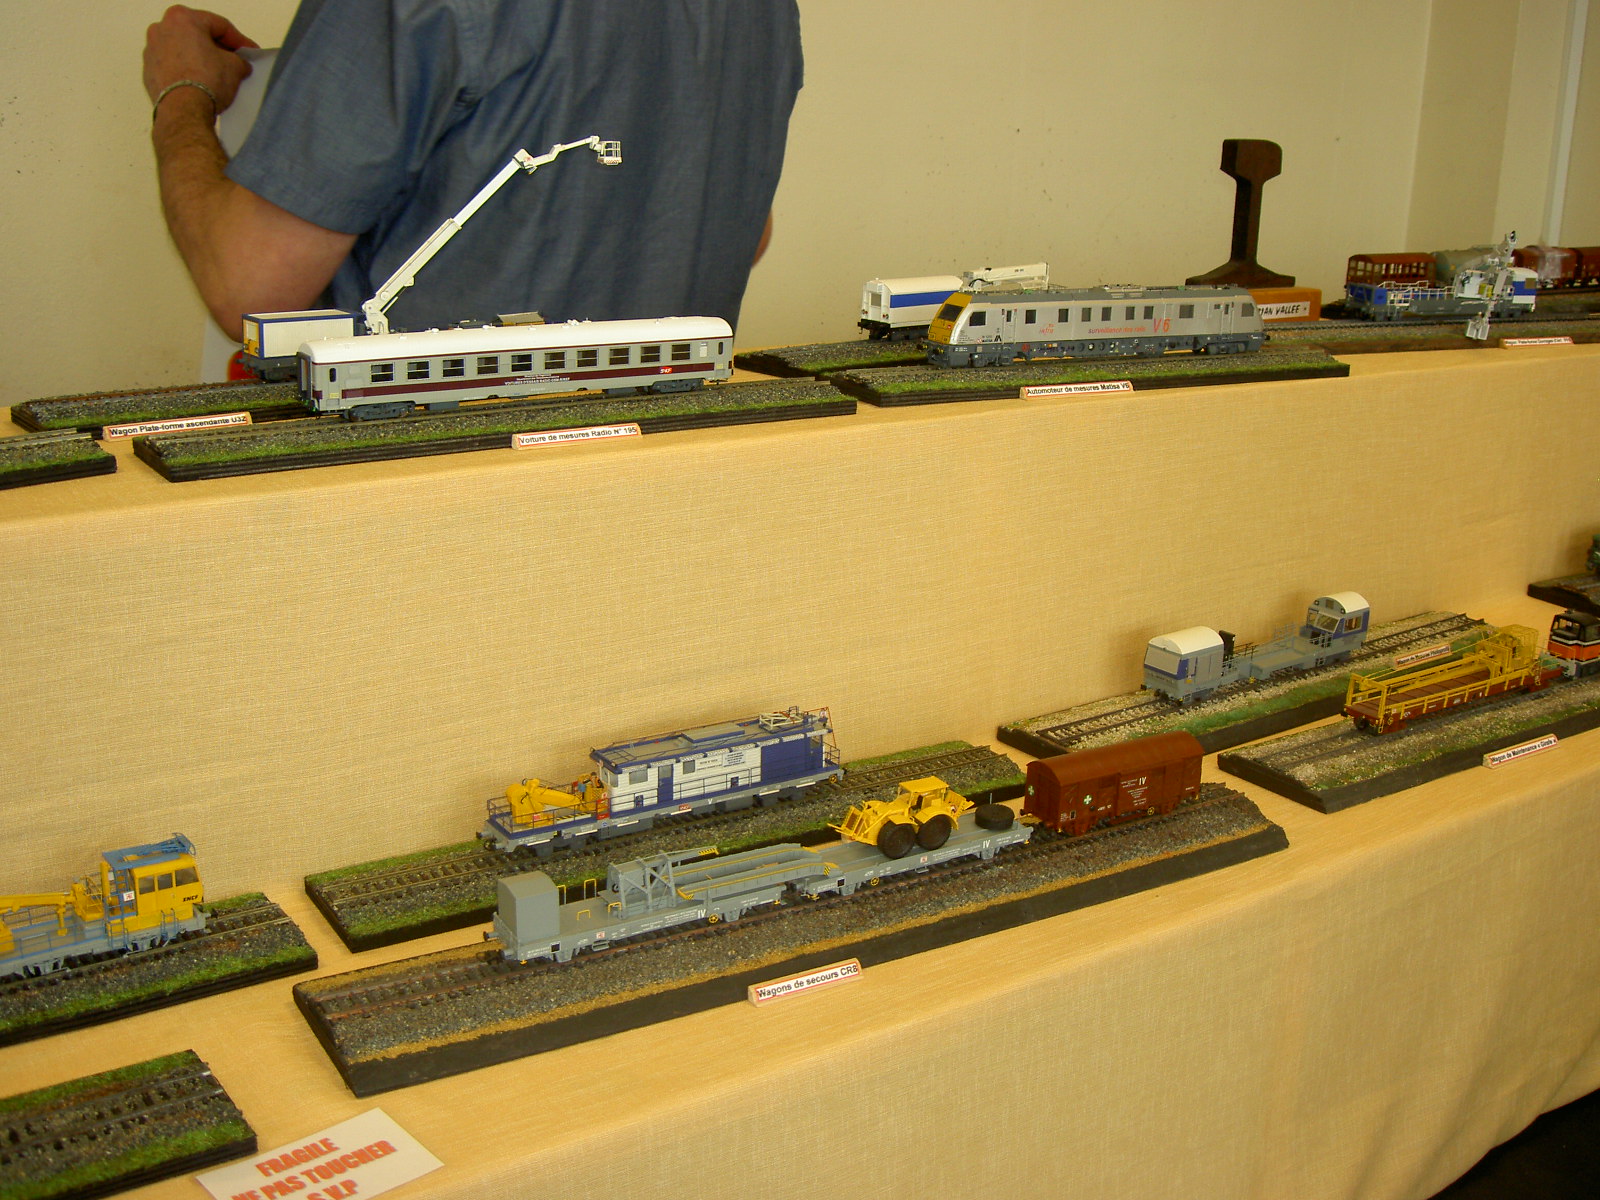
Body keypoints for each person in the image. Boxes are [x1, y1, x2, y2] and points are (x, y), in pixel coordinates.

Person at [143, 2, 803, 341]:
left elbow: (251, 288)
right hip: (659, 495)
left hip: (434, 506)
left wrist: (182, 95)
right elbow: (747, 234)